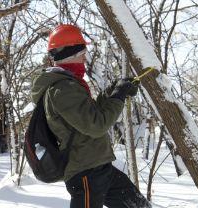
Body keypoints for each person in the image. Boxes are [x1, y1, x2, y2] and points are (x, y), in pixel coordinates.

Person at [31, 24, 151, 208]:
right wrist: (118, 98)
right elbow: (96, 125)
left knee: (138, 205)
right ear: (70, 55)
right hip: (85, 172)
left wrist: (115, 89)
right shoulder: (62, 90)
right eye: (82, 54)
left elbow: (91, 112)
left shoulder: (70, 85)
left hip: (99, 167)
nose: (85, 59)